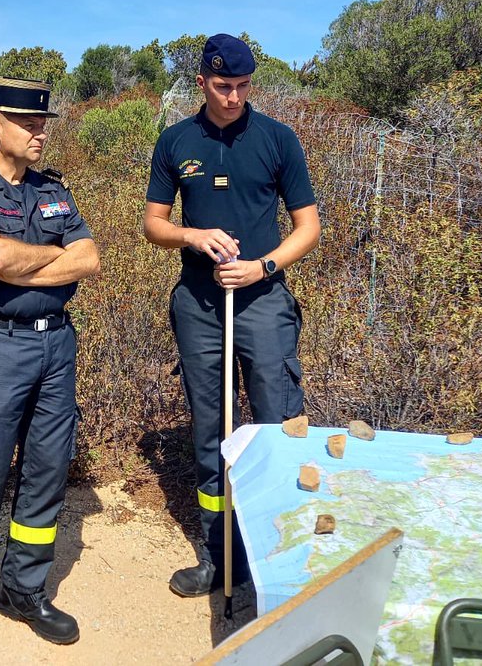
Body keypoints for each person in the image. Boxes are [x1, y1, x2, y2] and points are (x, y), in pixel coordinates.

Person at [142, 33, 320, 597]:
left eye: (243, 86)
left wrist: (262, 267)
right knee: (212, 429)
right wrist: (191, 236)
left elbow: (307, 228)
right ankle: (220, 555)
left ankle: (277, 551)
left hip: (263, 302)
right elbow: (154, 224)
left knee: (276, 423)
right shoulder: (175, 142)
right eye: (223, 87)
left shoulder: (277, 139)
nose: (234, 97)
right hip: (199, 303)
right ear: (201, 83)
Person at [0, 76, 101, 666]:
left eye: (43, 123)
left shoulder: (54, 189)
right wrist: (49, 260)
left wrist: (23, 268)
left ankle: (24, 590)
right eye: (28, 123)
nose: (39, 133)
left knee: (46, 471)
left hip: (58, 346)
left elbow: (92, 257)